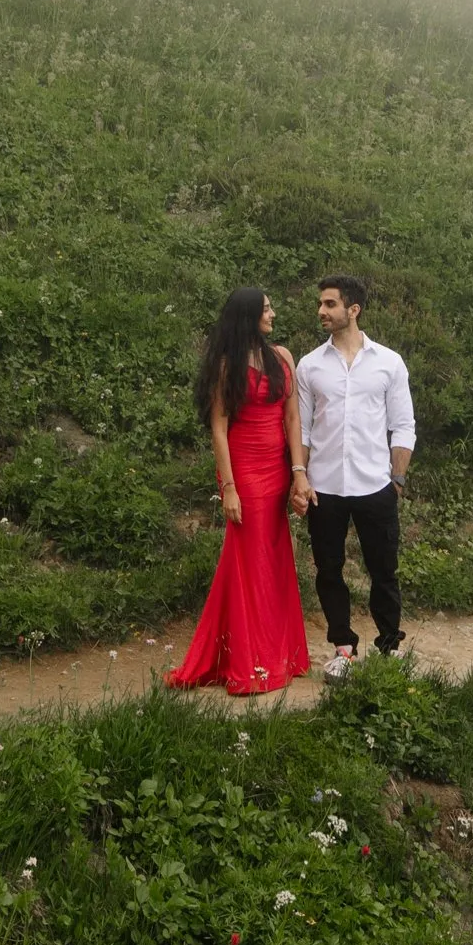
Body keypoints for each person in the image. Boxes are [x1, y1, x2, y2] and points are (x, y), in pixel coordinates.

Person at [166, 285, 313, 697]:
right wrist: (228, 488)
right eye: (267, 309)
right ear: (249, 316)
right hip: (245, 472)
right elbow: (219, 428)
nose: (273, 314)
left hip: (277, 468)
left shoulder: (281, 356)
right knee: (249, 562)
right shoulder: (227, 365)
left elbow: (292, 419)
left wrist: (299, 472)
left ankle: (276, 653)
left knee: (272, 559)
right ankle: (249, 660)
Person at [296, 274, 416, 681]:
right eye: (321, 304)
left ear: (353, 309)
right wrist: (301, 478)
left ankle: (389, 647)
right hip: (324, 487)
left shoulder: (388, 362)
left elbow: (403, 425)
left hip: (375, 486)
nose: (321, 311)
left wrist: (396, 481)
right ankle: (343, 649)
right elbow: (303, 431)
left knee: (384, 569)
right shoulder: (309, 365)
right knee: (329, 571)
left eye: (329, 304)